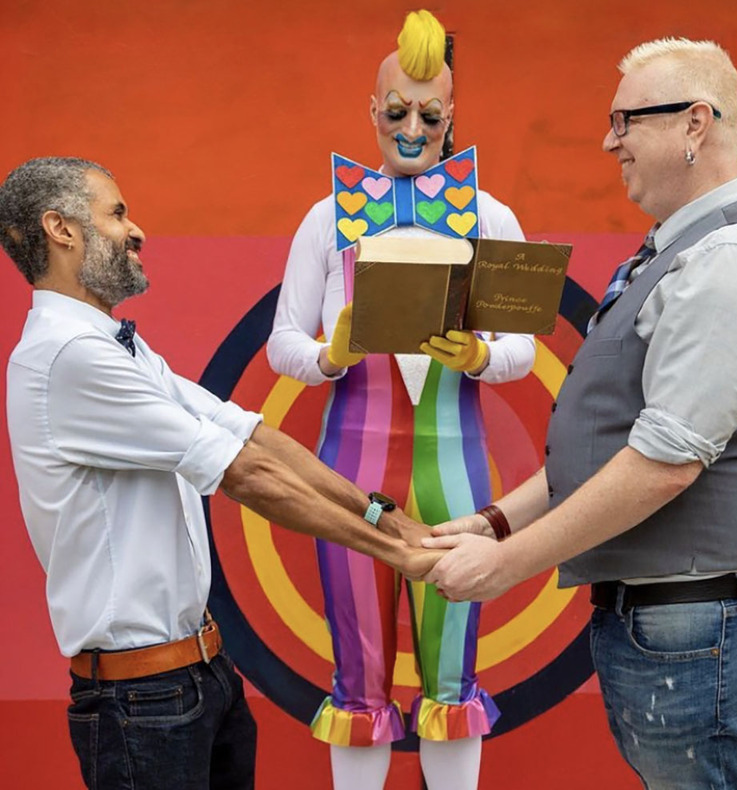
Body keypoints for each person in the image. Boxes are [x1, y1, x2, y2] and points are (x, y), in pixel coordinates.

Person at [424, 37, 737, 789]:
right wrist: (498, 521)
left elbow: (664, 462)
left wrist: (505, 565)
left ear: (696, 123)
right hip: (676, 624)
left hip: (700, 624)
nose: (609, 140)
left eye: (625, 119)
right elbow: (617, 443)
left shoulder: (732, 258)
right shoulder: (682, 251)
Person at [1, 156, 443, 790]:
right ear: (61, 229)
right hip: (144, 704)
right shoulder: (70, 356)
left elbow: (251, 433)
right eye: (117, 212)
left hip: (198, 678)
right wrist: (398, 554)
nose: (136, 231)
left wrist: (384, 517)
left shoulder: (115, 348)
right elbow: (245, 474)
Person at [266, 9, 534, 790]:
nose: (411, 127)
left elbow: (523, 350)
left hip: (455, 468)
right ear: (371, 111)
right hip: (349, 466)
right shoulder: (326, 218)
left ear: (453, 118)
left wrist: (481, 352)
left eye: (429, 112)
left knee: (452, 677)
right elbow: (283, 342)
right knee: (359, 675)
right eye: (396, 110)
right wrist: (332, 354)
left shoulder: (492, 216)